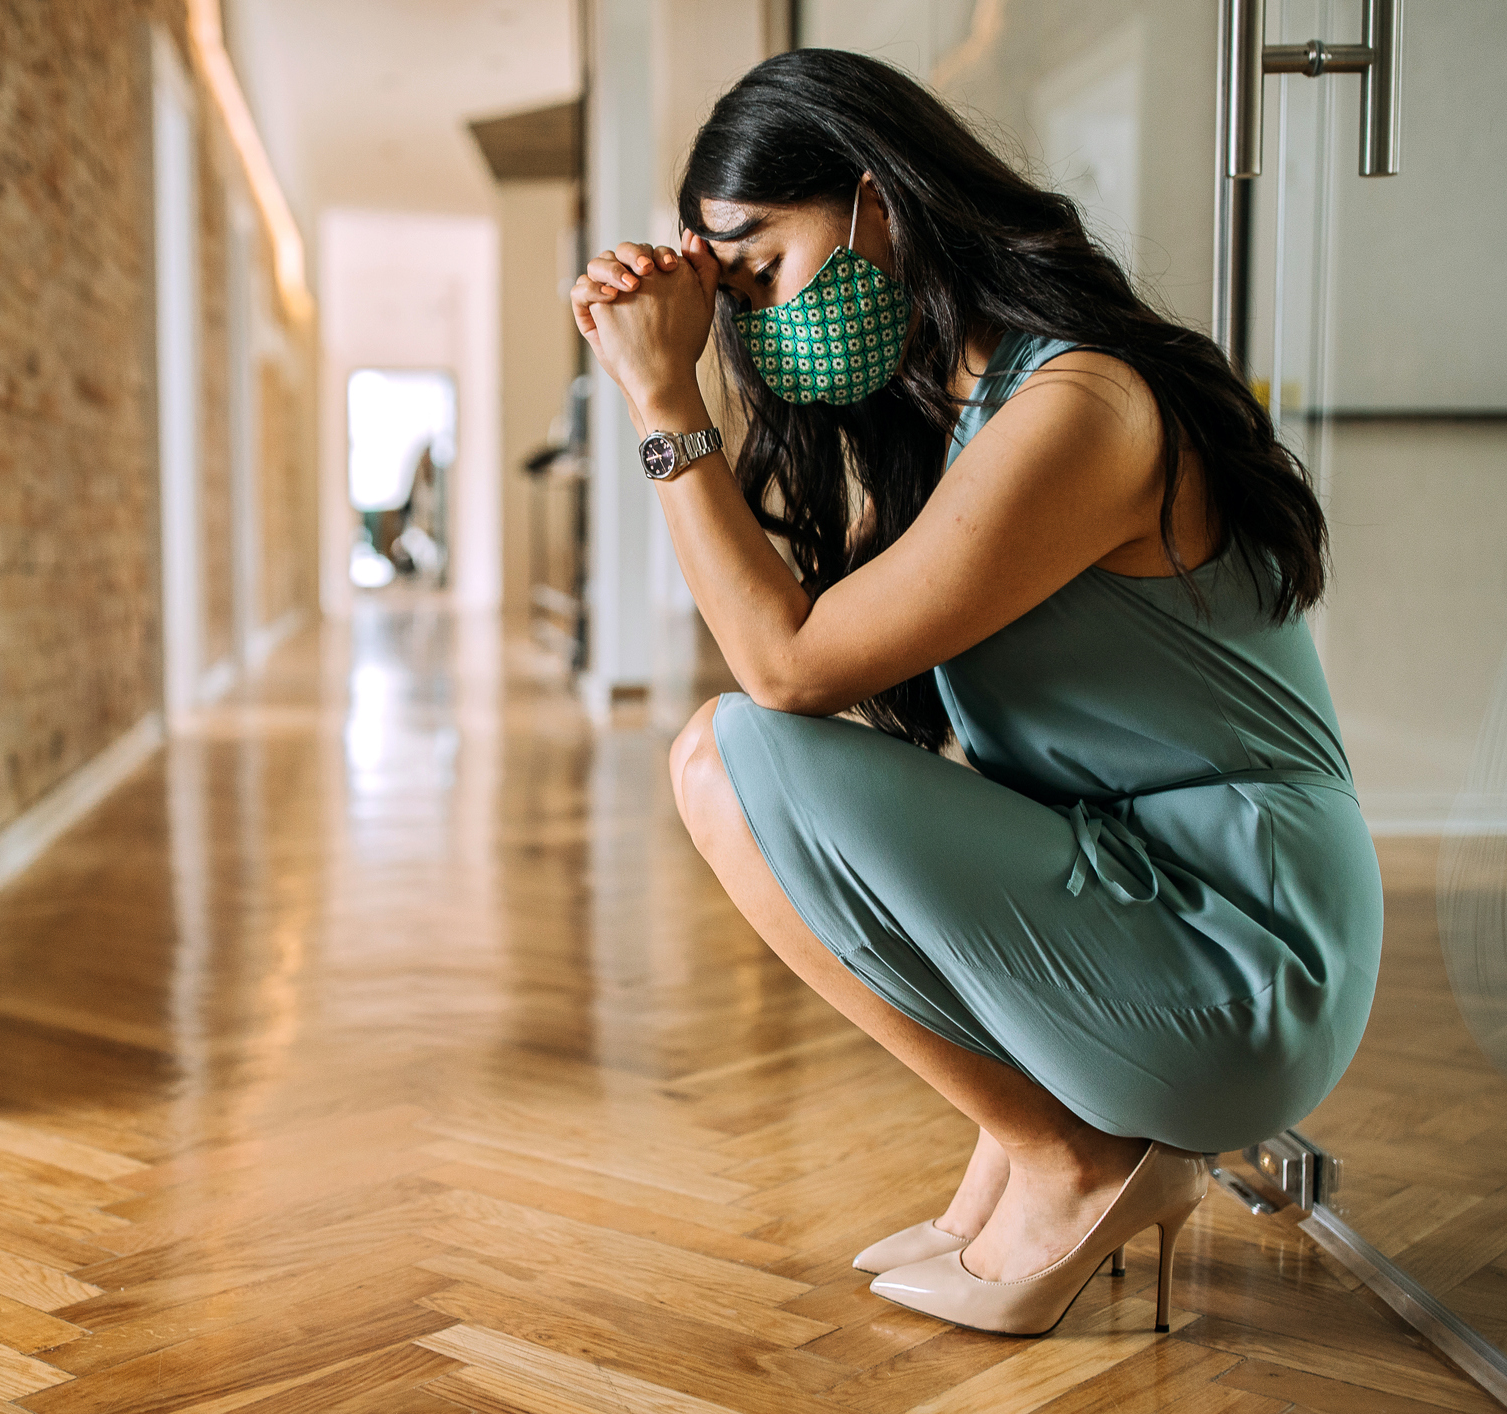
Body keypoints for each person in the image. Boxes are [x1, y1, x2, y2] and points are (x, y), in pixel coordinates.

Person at [570, 48, 1380, 1338]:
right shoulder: (967, 413)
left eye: (763, 270)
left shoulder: (1081, 406)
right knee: (733, 771)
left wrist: (667, 399)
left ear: (877, 198)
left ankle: (1075, 1161)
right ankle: (1027, 1150)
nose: (766, 323)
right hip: (1146, 892)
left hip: (1244, 956)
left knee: (736, 751)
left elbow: (781, 664)